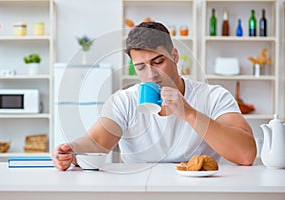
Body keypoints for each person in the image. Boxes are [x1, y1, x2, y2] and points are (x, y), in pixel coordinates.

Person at [52, 22, 257, 171]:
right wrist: (72, 149)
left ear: (174, 56)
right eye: (141, 67)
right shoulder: (124, 101)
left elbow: (246, 154)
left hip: (198, 192)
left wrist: (190, 114)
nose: (151, 74)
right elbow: (97, 141)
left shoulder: (213, 96)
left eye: (158, 62)